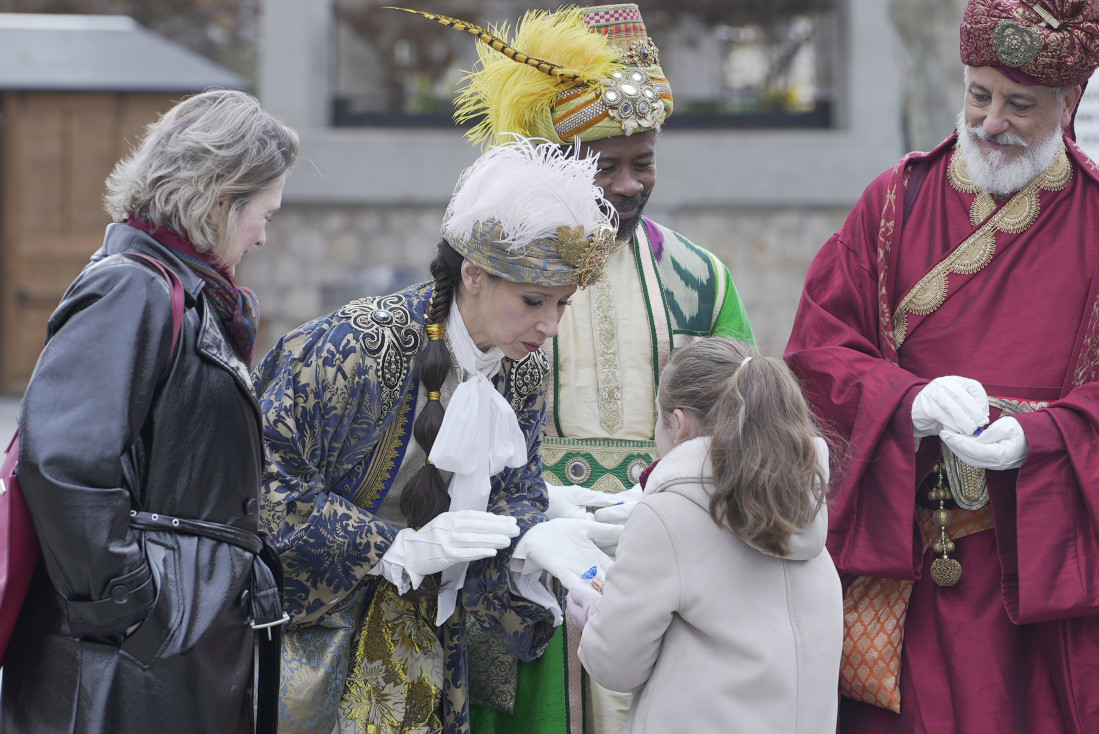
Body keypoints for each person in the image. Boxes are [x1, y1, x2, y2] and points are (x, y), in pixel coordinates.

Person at [395, 5, 757, 732]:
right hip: (523, 565)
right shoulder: (491, 275)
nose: (628, 185)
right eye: (605, 163)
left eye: (643, 161)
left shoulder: (700, 279)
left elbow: (746, 425)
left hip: (667, 560)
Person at [784, 1, 1099, 731]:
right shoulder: (893, 200)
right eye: (978, 95)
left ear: (1068, 103)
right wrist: (905, 403)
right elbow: (813, 355)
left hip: (1039, 578)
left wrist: (1045, 439)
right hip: (902, 563)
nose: (991, 121)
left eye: (1019, 105)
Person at [254, 137, 624, 734]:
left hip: (428, 649)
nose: (550, 325)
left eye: (563, 304)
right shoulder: (358, 346)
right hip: (319, 641)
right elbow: (264, 482)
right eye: (534, 301)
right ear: (473, 275)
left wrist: (534, 537)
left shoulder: (523, 366)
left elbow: (513, 495)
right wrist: (391, 549)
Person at [0, 89, 299, 733]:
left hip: (160, 654)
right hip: (129, 660)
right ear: (221, 200)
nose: (264, 236)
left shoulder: (176, 289)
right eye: (263, 213)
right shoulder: (132, 284)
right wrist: (130, 608)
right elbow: (63, 461)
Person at [573, 337, 842, 734]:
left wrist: (595, 615)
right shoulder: (804, 511)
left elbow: (616, 666)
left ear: (679, 425)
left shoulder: (666, 517)